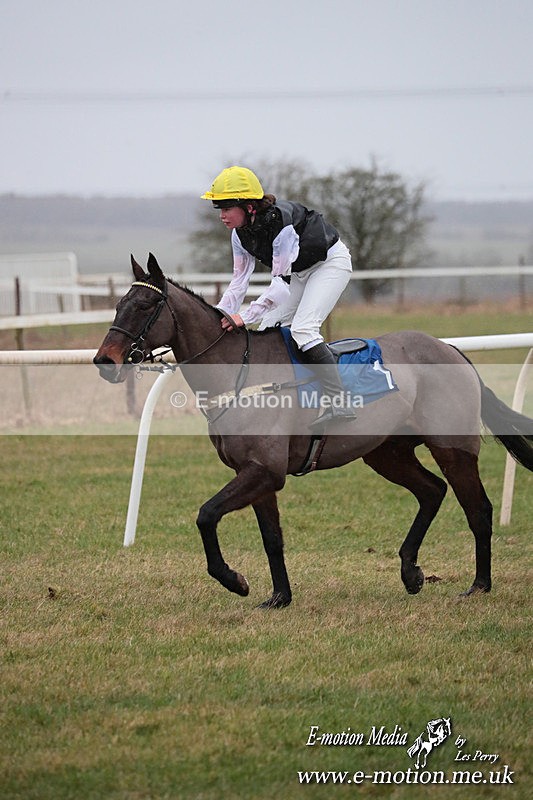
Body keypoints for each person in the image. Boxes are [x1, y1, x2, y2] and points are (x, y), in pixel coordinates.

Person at [201, 165, 356, 428]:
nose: (222, 216)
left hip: (330, 264)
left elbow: (279, 287)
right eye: (219, 208)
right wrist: (220, 314)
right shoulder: (239, 235)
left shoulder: (280, 226)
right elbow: (238, 282)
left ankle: (340, 403)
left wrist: (244, 317)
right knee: (267, 329)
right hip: (299, 272)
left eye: (227, 208)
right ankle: (286, 399)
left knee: (304, 330)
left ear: (249, 206)